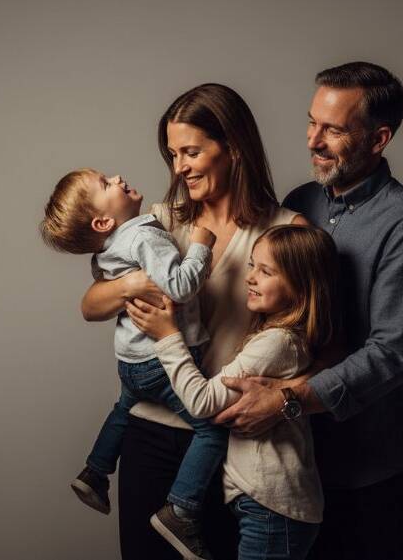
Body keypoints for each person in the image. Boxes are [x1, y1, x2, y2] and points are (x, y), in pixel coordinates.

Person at [213, 62, 403, 560]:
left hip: (369, 469)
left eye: (334, 129)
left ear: (379, 138)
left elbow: (391, 354)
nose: (313, 141)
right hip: (291, 469)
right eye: (311, 122)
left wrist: (286, 400)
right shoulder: (300, 204)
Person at [80, 83, 308, 560]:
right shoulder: (158, 223)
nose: (179, 167)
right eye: (172, 154)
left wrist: (287, 398)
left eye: (191, 152)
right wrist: (133, 286)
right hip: (150, 430)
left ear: (234, 148)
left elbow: (317, 339)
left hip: (230, 442)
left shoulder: (286, 233)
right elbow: (90, 304)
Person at [40, 167, 225, 559]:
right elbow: (178, 286)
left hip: (130, 362)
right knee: (210, 428)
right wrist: (201, 245)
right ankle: (181, 510)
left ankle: (96, 470)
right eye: (106, 184)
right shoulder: (144, 234)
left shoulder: (109, 246)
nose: (119, 177)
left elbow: (104, 287)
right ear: (103, 220)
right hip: (161, 361)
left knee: (124, 407)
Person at [127, 224, 337, 560]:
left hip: (272, 509)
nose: (250, 277)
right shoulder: (274, 336)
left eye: (266, 271)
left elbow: (202, 401)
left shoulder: (277, 343)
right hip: (262, 503)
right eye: (252, 265)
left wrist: (167, 336)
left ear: (301, 286)